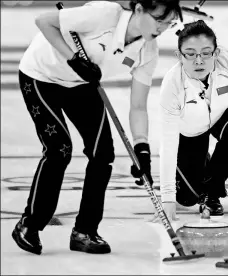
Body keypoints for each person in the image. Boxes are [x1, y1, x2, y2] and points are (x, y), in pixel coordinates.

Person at [12, 0, 182, 255]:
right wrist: (72, 59)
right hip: (41, 75)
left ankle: (85, 231)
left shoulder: (147, 51)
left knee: (102, 154)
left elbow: (137, 106)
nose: (163, 27)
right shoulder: (105, 14)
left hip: (82, 83)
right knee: (59, 148)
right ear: (138, 9)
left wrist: (142, 148)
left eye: (168, 23)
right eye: (158, 19)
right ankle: (30, 224)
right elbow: (44, 21)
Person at [156, 20, 228, 221]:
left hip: (227, 116)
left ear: (216, 53)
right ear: (179, 55)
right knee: (186, 198)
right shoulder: (172, 85)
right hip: (191, 131)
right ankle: (204, 168)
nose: (198, 60)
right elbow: (167, 144)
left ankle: (213, 191)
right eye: (190, 54)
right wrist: (167, 200)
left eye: (206, 52)